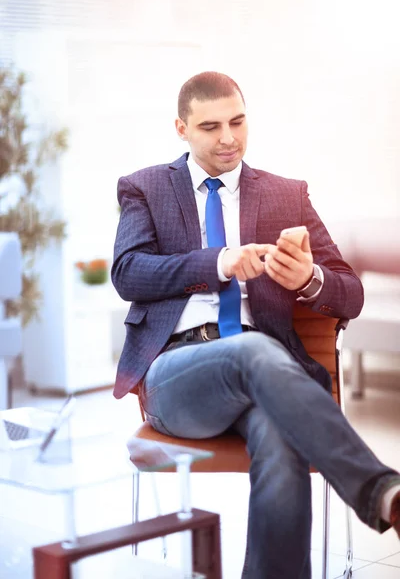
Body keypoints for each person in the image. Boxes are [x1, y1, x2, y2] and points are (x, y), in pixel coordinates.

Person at [112, 71, 400, 578]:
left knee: (281, 438)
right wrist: (218, 262)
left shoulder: (287, 195)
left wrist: (310, 279)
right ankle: (383, 493)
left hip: (268, 382)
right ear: (181, 128)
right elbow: (127, 272)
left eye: (238, 121)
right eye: (210, 126)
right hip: (179, 378)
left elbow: (349, 292)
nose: (228, 138)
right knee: (252, 351)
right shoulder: (146, 188)